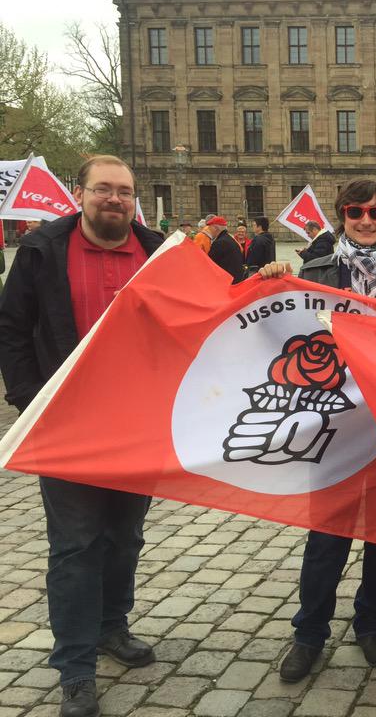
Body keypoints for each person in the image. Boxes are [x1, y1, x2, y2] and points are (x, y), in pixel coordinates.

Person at [0, 155, 164, 717]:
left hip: (136, 424)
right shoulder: (43, 250)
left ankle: (113, 626)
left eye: (123, 191)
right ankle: (75, 667)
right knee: (74, 547)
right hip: (67, 423)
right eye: (103, 189)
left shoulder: (159, 251)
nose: (114, 199)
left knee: (126, 539)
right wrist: (31, 402)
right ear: (80, 192)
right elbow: (13, 329)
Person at [261, 179, 376, 681]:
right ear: (342, 215)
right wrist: (274, 275)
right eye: (356, 211)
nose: (365, 219)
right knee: (326, 538)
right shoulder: (316, 271)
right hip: (332, 425)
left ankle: (370, 623)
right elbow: (280, 327)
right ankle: (309, 632)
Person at [200, 215, 244, 283]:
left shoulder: (219, 243)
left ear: (215, 228)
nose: (208, 231)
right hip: (235, 280)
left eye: (209, 228)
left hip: (227, 282)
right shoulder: (230, 239)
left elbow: (209, 263)